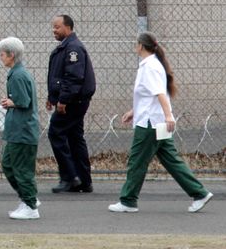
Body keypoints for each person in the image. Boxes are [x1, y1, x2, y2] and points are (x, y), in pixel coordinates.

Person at [108, 32, 213, 213]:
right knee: (171, 160)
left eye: (136, 44)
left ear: (141, 46)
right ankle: (200, 193)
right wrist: (134, 111)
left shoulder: (150, 67)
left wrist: (169, 116)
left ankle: (128, 201)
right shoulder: (152, 65)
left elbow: (159, 93)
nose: (136, 46)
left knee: (137, 161)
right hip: (155, 121)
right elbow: (149, 95)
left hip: (151, 124)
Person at [47, 14, 96, 193]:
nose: (54, 30)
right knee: (75, 137)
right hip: (73, 100)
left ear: (68, 27)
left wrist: (62, 100)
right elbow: (59, 76)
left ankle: (69, 177)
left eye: (57, 27)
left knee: (56, 132)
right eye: (53, 27)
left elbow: (74, 77)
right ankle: (84, 180)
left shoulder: (73, 48)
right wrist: (52, 97)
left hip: (73, 102)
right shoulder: (65, 47)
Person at [0, 37, 40, 220]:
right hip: (17, 130)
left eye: (2, 54)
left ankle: (30, 206)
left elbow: (23, 101)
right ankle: (27, 196)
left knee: (21, 169)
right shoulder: (17, 73)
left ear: (11, 55)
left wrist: (11, 102)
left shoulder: (18, 75)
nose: (1, 57)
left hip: (23, 130)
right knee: (8, 164)